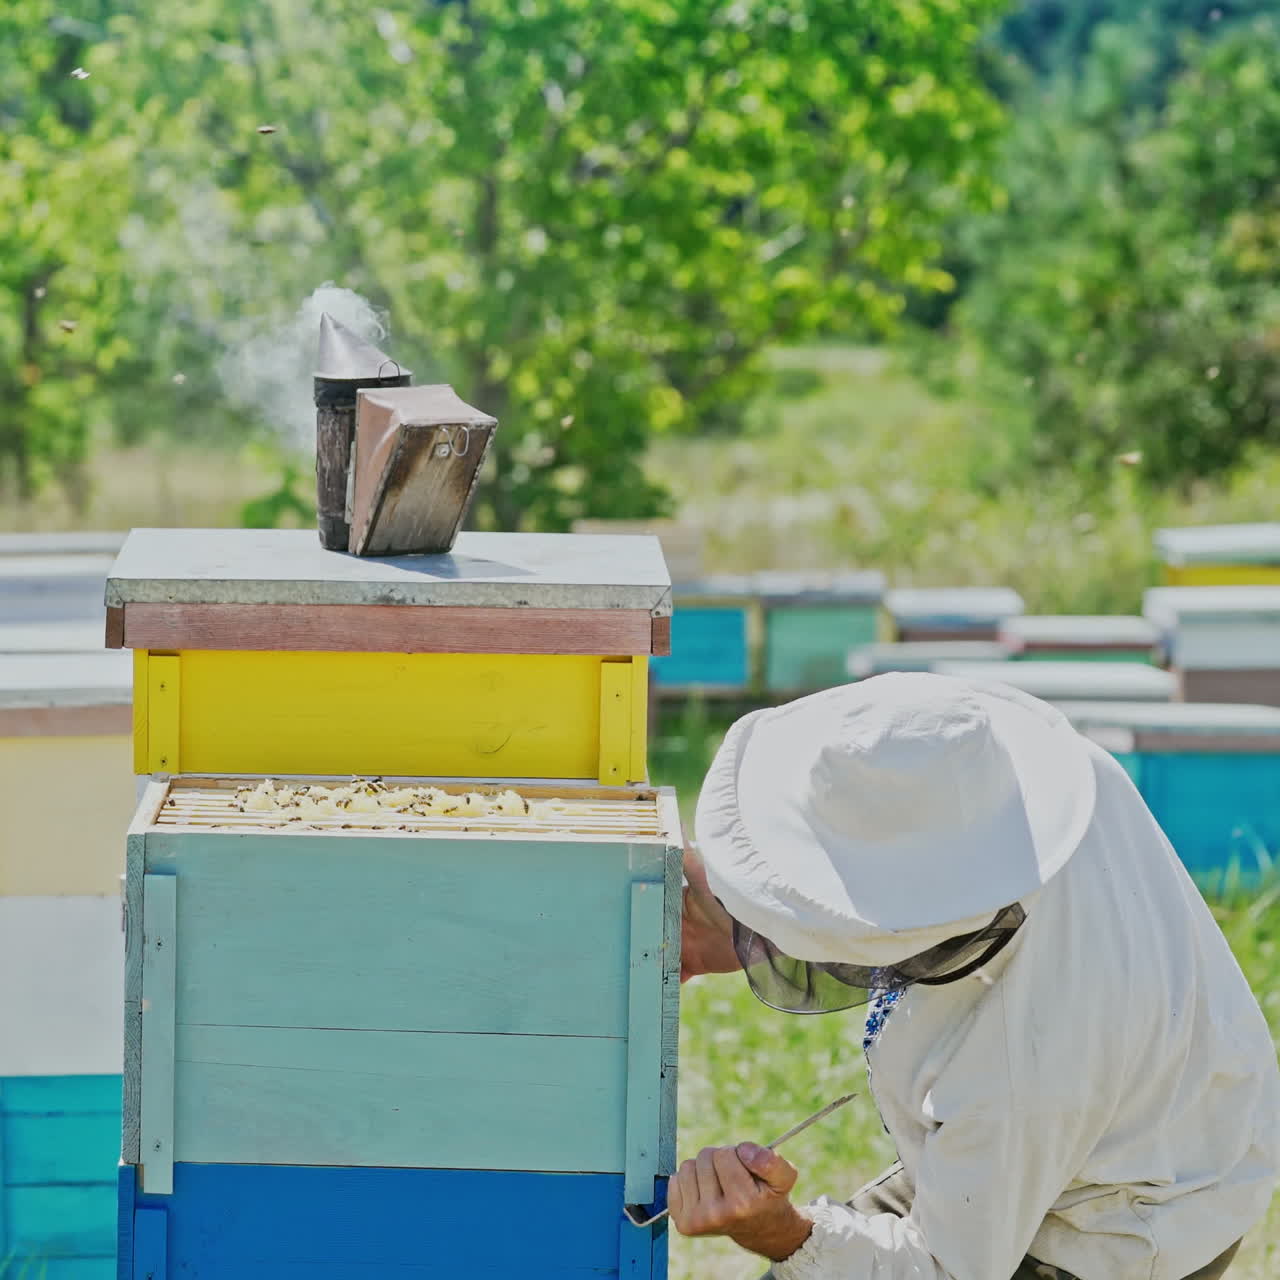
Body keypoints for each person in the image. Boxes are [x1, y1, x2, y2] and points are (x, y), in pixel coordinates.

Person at [671, 673, 1279, 1280]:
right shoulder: (1000, 781)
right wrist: (706, 912)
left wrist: (780, 1232)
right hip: (1135, 1108)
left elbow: (946, 1270)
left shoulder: (1024, 1060)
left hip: (1118, 1225)